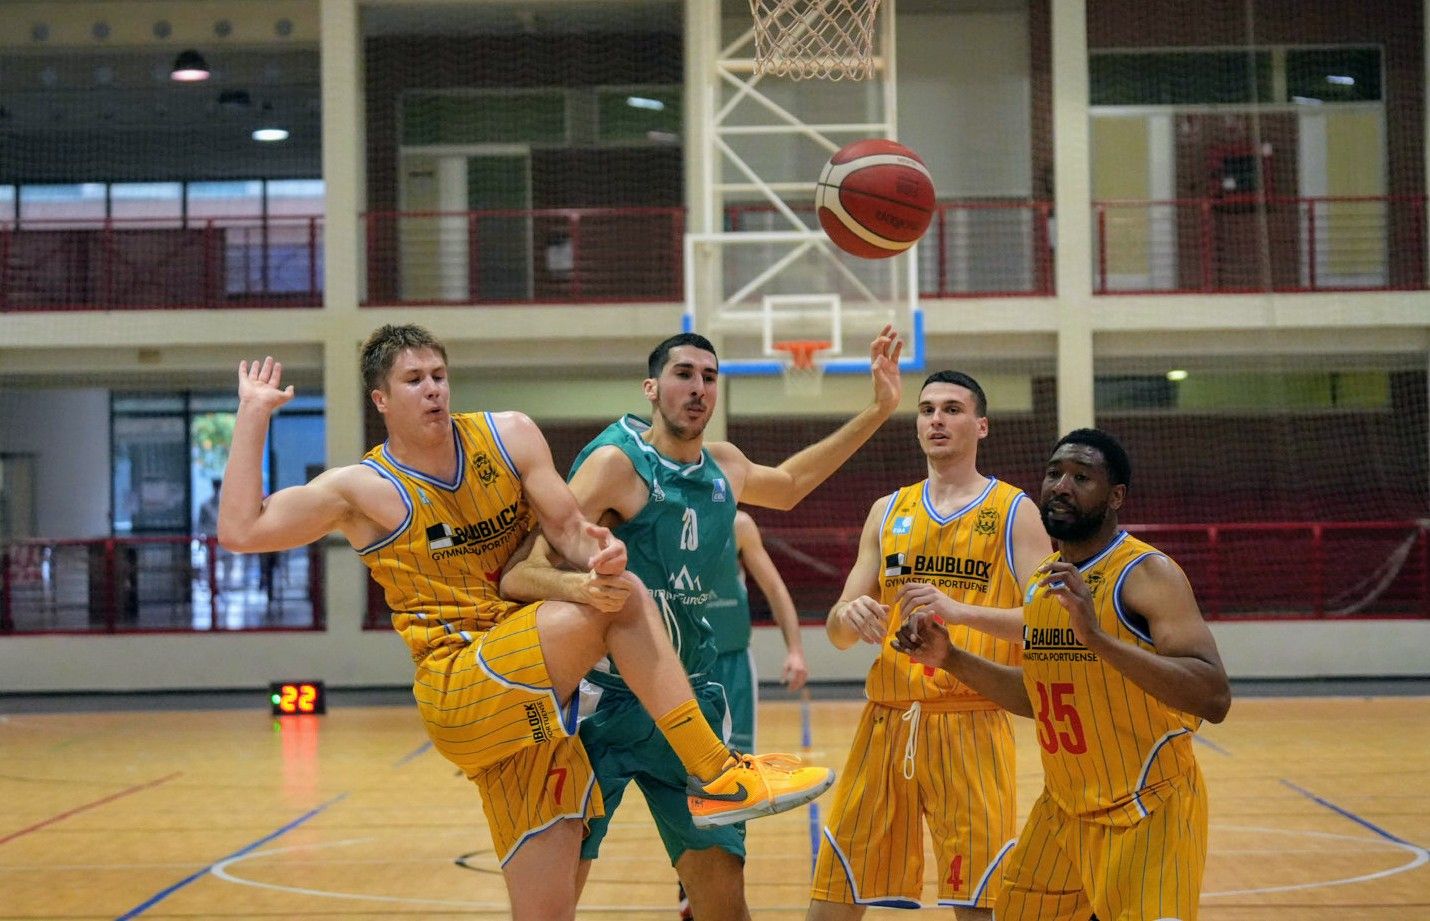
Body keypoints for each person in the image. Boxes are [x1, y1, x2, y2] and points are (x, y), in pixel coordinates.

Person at [215, 324, 837, 921]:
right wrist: (253, 414)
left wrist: (599, 554)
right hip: (460, 678)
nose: (432, 388)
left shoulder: (508, 435)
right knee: (622, 599)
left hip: (540, 703)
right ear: (381, 399)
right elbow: (240, 531)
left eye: (438, 375)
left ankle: (705, 765)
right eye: (412, 380)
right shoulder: (360, 489)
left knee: (548, 910)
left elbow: (567, 528)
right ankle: (719, 770)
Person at [502, 327, 904, 921]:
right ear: (651, 387)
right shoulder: (616, 466)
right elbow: (520, 572)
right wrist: (578, 586)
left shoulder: (726, 468)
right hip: (601, 707)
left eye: (708, 378)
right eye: (683, 374)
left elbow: (791, 486)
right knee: (555, 903)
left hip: (688, 711)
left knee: (723, 901)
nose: (697, 389)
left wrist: (878, 409)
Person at [894, 428, 1232, 921]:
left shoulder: (1146, 573)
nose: (1062, 486)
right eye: (1054, 474)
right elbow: (1038, 696)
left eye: (1082, 477)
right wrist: (950, 658)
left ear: (1115, 497)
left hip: (1147, 807)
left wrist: (1097, 637)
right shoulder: (1043, 583)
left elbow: (1214, 696)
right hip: (1064, 811)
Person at [806, 371, 1051, 920]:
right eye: (926, 409)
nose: (936, 419)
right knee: (836, 892)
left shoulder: (1015, 511)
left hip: (972, 722)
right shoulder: (887, 510)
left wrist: (961, 613)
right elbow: (838, 630)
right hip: (887, 722)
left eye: (953, 409)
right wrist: (854, 613)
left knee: (978, 903)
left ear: (981, 426)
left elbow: (1049, 625)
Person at [678, 508, 808, 919]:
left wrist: (795, 649)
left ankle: (727, 888)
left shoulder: (737, 524)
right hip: (680, 665)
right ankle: (689, 889)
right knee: (681, 777)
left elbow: (775, 588)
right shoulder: (660, 514)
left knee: (736, 780)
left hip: (731, 662)